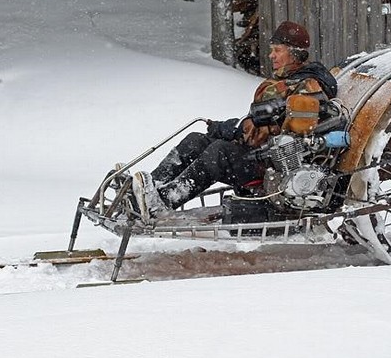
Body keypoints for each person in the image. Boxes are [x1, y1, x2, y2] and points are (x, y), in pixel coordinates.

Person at [131, 21, 338, 222]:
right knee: (196, 140)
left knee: (220, 152)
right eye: (272, 50)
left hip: (274, 169)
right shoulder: (288, 81)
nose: (271, 55)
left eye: (278, 50)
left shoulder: (307, 86)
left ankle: (164, 201)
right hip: (261, 155)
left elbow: (279, 134)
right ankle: (150, 189)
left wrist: (236, 130)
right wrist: (229, 128)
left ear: (294, 52)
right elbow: (260, 120)